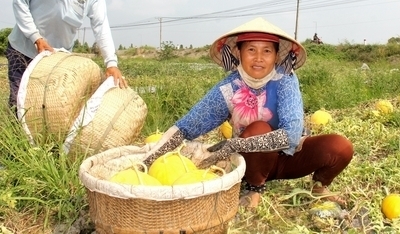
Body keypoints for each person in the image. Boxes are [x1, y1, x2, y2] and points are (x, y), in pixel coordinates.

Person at [142, 17, 353, 208]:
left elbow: (291, 133)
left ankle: (320, 186)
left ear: (276, 55)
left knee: (340, 147)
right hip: (249, 164)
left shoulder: (285, 80)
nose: (259, 58)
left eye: (267, 51)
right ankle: (254, 187)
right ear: (238, 53)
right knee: (259, 128)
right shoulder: (229, 88)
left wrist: (235, 144)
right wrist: (147, 160)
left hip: (289, 158)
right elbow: (188, 126)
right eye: (251, 50)